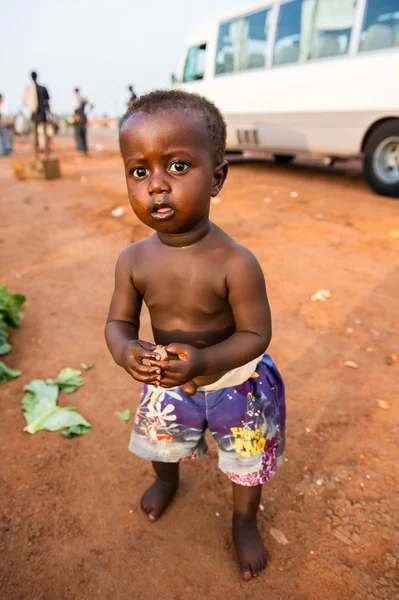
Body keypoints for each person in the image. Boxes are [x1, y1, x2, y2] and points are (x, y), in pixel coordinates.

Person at [105, 90, 285, 581]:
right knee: (162, 444)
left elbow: (256, 334)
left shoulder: (235, 261)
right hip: (167, 383)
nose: (157, 187)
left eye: (178, 167)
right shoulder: (134, 261)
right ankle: (168, 481)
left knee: (246, 460)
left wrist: (206, 362)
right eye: (140, 171)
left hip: (236, 384)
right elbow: (117, 323)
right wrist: (126, 351)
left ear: (217, 177)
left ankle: (244, 520)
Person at [23, 71, 51, 157]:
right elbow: (47, 101)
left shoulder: (29, 89)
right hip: (42, 114)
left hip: (35, 115)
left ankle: (37, 149)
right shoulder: (42, 88)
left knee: (35, 133)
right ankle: (45, 148)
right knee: (44, 132)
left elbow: (25, 102)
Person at [72, 88, 93, 154]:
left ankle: (81, 150)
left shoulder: (76, 98)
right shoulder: (83, 98)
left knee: (78, 134)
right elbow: (91, 105)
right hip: (83, 118)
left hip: (79, 119)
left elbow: (76, 109)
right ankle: (84, 149)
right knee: (83, 134)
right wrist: (86, 113)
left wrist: (76, 117)